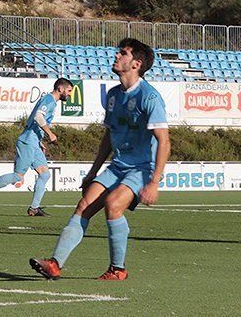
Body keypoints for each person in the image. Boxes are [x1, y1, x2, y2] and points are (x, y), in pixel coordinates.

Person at [30, 39, 170, 281]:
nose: (116, 56)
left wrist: (154, 183)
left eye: (123, 53)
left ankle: (118, 269)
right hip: (117, 167)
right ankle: (54, 264)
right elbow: (108, 137)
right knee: (83, 205)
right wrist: (93, 172)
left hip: (142, 169)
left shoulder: (150, 97)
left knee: (113, 205)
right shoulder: (114, 95)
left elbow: (165, 142)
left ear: (136, 64)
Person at [0, 78, 74, 216]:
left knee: (45, 174)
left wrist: (40, 141)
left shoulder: (51, 101)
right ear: (60, 88)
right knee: (18, 176)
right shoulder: (49, 99)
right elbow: (38, 117)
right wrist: (50, 134)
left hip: (33, 142)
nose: (69, 94)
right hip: (27, 142)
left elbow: (34, 122)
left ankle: (34, 208)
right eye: (69, 91)